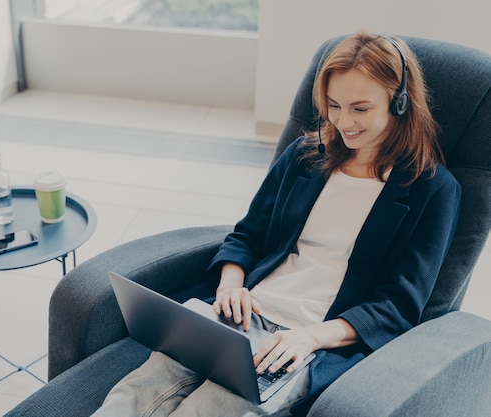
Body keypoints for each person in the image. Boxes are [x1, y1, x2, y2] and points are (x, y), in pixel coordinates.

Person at [91, 31, 461, 417]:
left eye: (360, 108)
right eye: (334, 105)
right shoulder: (304, 156)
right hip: (242, 314)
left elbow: (398, 306)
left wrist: (308, 338)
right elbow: (247, 234)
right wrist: (230, 286)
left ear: (399, 103)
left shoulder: (431, 190)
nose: (343, 121)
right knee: (137, 390)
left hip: (310, 336)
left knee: (213, 408)